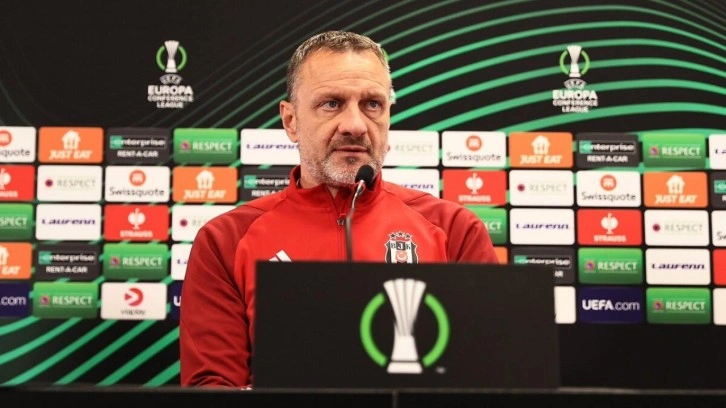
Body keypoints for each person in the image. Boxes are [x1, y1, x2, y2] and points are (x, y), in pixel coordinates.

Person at [179, 30, 499, 388]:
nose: (355, 125)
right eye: (331, 103)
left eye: (372, 104)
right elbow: (212, 388)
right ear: (290, 121)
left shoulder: (455, 230)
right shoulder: (225, 240)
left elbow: (490, 380)